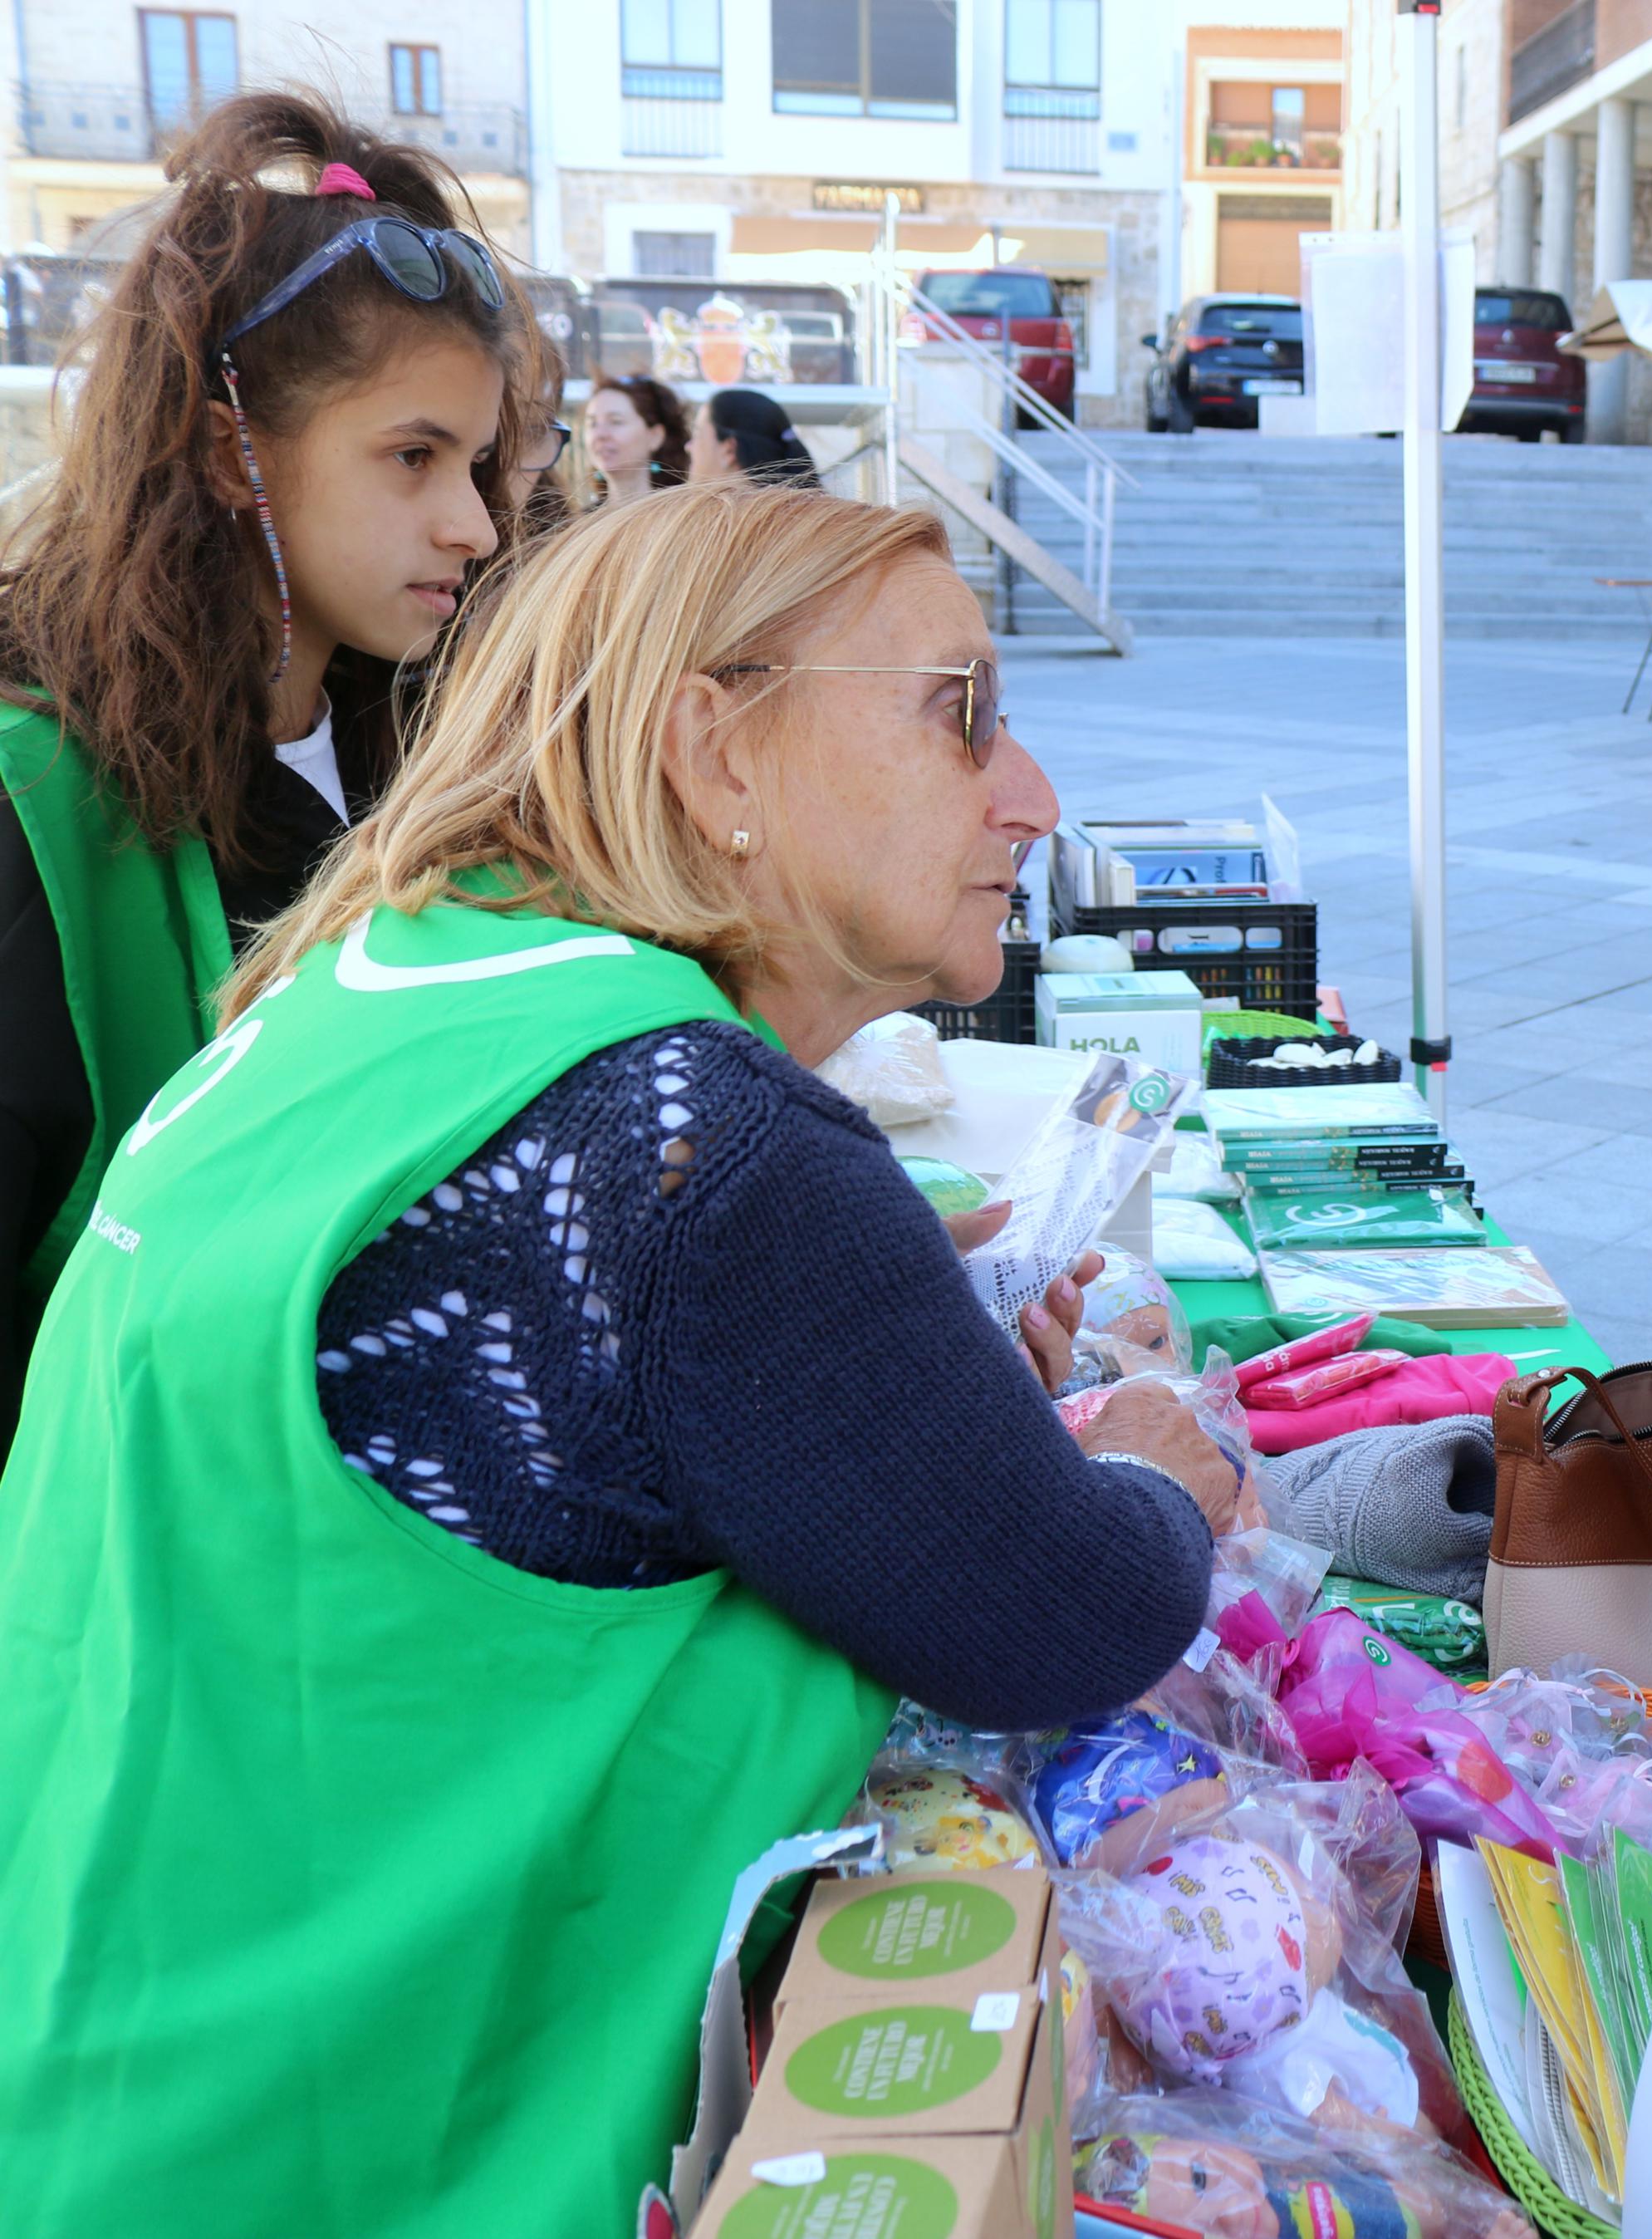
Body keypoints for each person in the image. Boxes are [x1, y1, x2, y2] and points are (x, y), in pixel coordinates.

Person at [0, 481, 1240, 2227]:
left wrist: (892, 1339)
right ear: (713, 753)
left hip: (102, 2091)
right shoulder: (697, 1152)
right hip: (354, 2163)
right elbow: (1062, 1614)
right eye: (959, 710)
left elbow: (557, 1438)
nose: (1028, 797)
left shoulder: (369, 984)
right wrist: (1154, 1477)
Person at [0, 94, 550, 1462]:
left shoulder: (445, 747)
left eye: (478, 464)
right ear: (218, 443)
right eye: (412, 456)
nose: (473, 523)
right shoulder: (36, 804)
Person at [581, 371, 688, 506]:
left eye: (616, 422)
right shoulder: (581, 523)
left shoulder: (678, 519)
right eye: (592, 424)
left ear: (655, 436)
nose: (600, 434)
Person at [691, 385, 825, 489]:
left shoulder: (733, 522)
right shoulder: (806, 516)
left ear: (729, 450)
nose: (688, 447)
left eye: (697, 435)